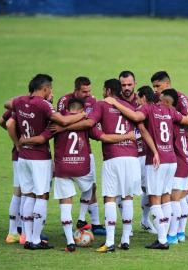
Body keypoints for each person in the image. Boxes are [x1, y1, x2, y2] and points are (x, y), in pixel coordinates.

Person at [49, 79, 159, 253]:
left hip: (113, 158)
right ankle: (125, 240)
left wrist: (63, 128)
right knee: (128, 197)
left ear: (107, 90)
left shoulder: (101, 105)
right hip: (132, 158)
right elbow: (142, 129)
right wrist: (154, 150)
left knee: (110, 198)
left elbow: (89, 124)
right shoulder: (130, 106)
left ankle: (109, 242)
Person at [19, 98, 134, 252]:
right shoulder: (86, 120)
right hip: (82, 168)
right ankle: (81, 217)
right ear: (81, 110)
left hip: (63, 168)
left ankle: (70, 242)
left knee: (65, 204)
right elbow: (101, 136)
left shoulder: (58, 120)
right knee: (90, 188)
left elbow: (43, 138)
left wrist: (24, 140)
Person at [103, 85, 188, 250]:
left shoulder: (147, 108)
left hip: (156, 161)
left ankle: (162, 240)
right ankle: (165, 236)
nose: (137, 101)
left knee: (155, 200)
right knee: (166, 197)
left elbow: (136, 116)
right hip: (172, 160)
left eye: (138, 98)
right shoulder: (168, 110)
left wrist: (115, 103)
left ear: (143, 97)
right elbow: (186, 120)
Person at [6, 74, 86, 250]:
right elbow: (63, 121)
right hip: (39, 158)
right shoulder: (44, 105)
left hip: (23, 157)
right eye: (50, 88)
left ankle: (27, 238)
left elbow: (8, 110)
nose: (51, 91)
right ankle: (34, 239)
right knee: (41, 195)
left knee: (27, 195)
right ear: (45, 88)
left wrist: (19, 142)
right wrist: (83, 114)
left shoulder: (19, 101)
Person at [151, 71, 188, 240]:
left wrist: (176, 119)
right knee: (182, 193)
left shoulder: (180, 99)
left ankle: (181, 231)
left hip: (179, 153)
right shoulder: (160, 102)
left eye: (158, 86)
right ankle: (181, 231)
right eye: (153, 87)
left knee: (176, 196)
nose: (155, 89)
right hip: (176, 153)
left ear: (167, 84)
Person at [57, 76, 105, 235]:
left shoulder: (93, 101)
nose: (88, 94)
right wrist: (83, 118)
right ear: (76, 90)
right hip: (67, 153)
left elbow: (91, 123)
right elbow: (62, 121)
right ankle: (80, 222)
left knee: (92, 186)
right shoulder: (64, 100)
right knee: (67, 192)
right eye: (84, 91)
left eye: (89, 91)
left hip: (86, 149)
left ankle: (92, 222)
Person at [119, 71, 156, 234]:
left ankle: (145, 220)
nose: (127, 88)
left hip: (144, 154)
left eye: (129, 84)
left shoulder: (142, 100)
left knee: (149, 189)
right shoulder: (116, 102)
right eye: (123, 85)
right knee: (124, 190)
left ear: (134, 83)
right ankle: (127, 225)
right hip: (125, 153)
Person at [159, 89, 188, 244]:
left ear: (167, 103)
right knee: (181, 198)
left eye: (161, 101)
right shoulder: (184, 122)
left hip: (179, 164)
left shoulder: (170, 121)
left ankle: (172, 235)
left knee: (174, 200)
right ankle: (180, 233)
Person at [0, 109, 22, 244]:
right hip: (27, 155)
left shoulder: (18, 104)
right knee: (24, 193)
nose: (52, 94)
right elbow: (8, 124)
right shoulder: (38, 105)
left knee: (19, 191)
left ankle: (15, 230)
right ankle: (19, 232)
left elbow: (2, 121)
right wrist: (18, 142)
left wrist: (15, 138)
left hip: (18, 155)